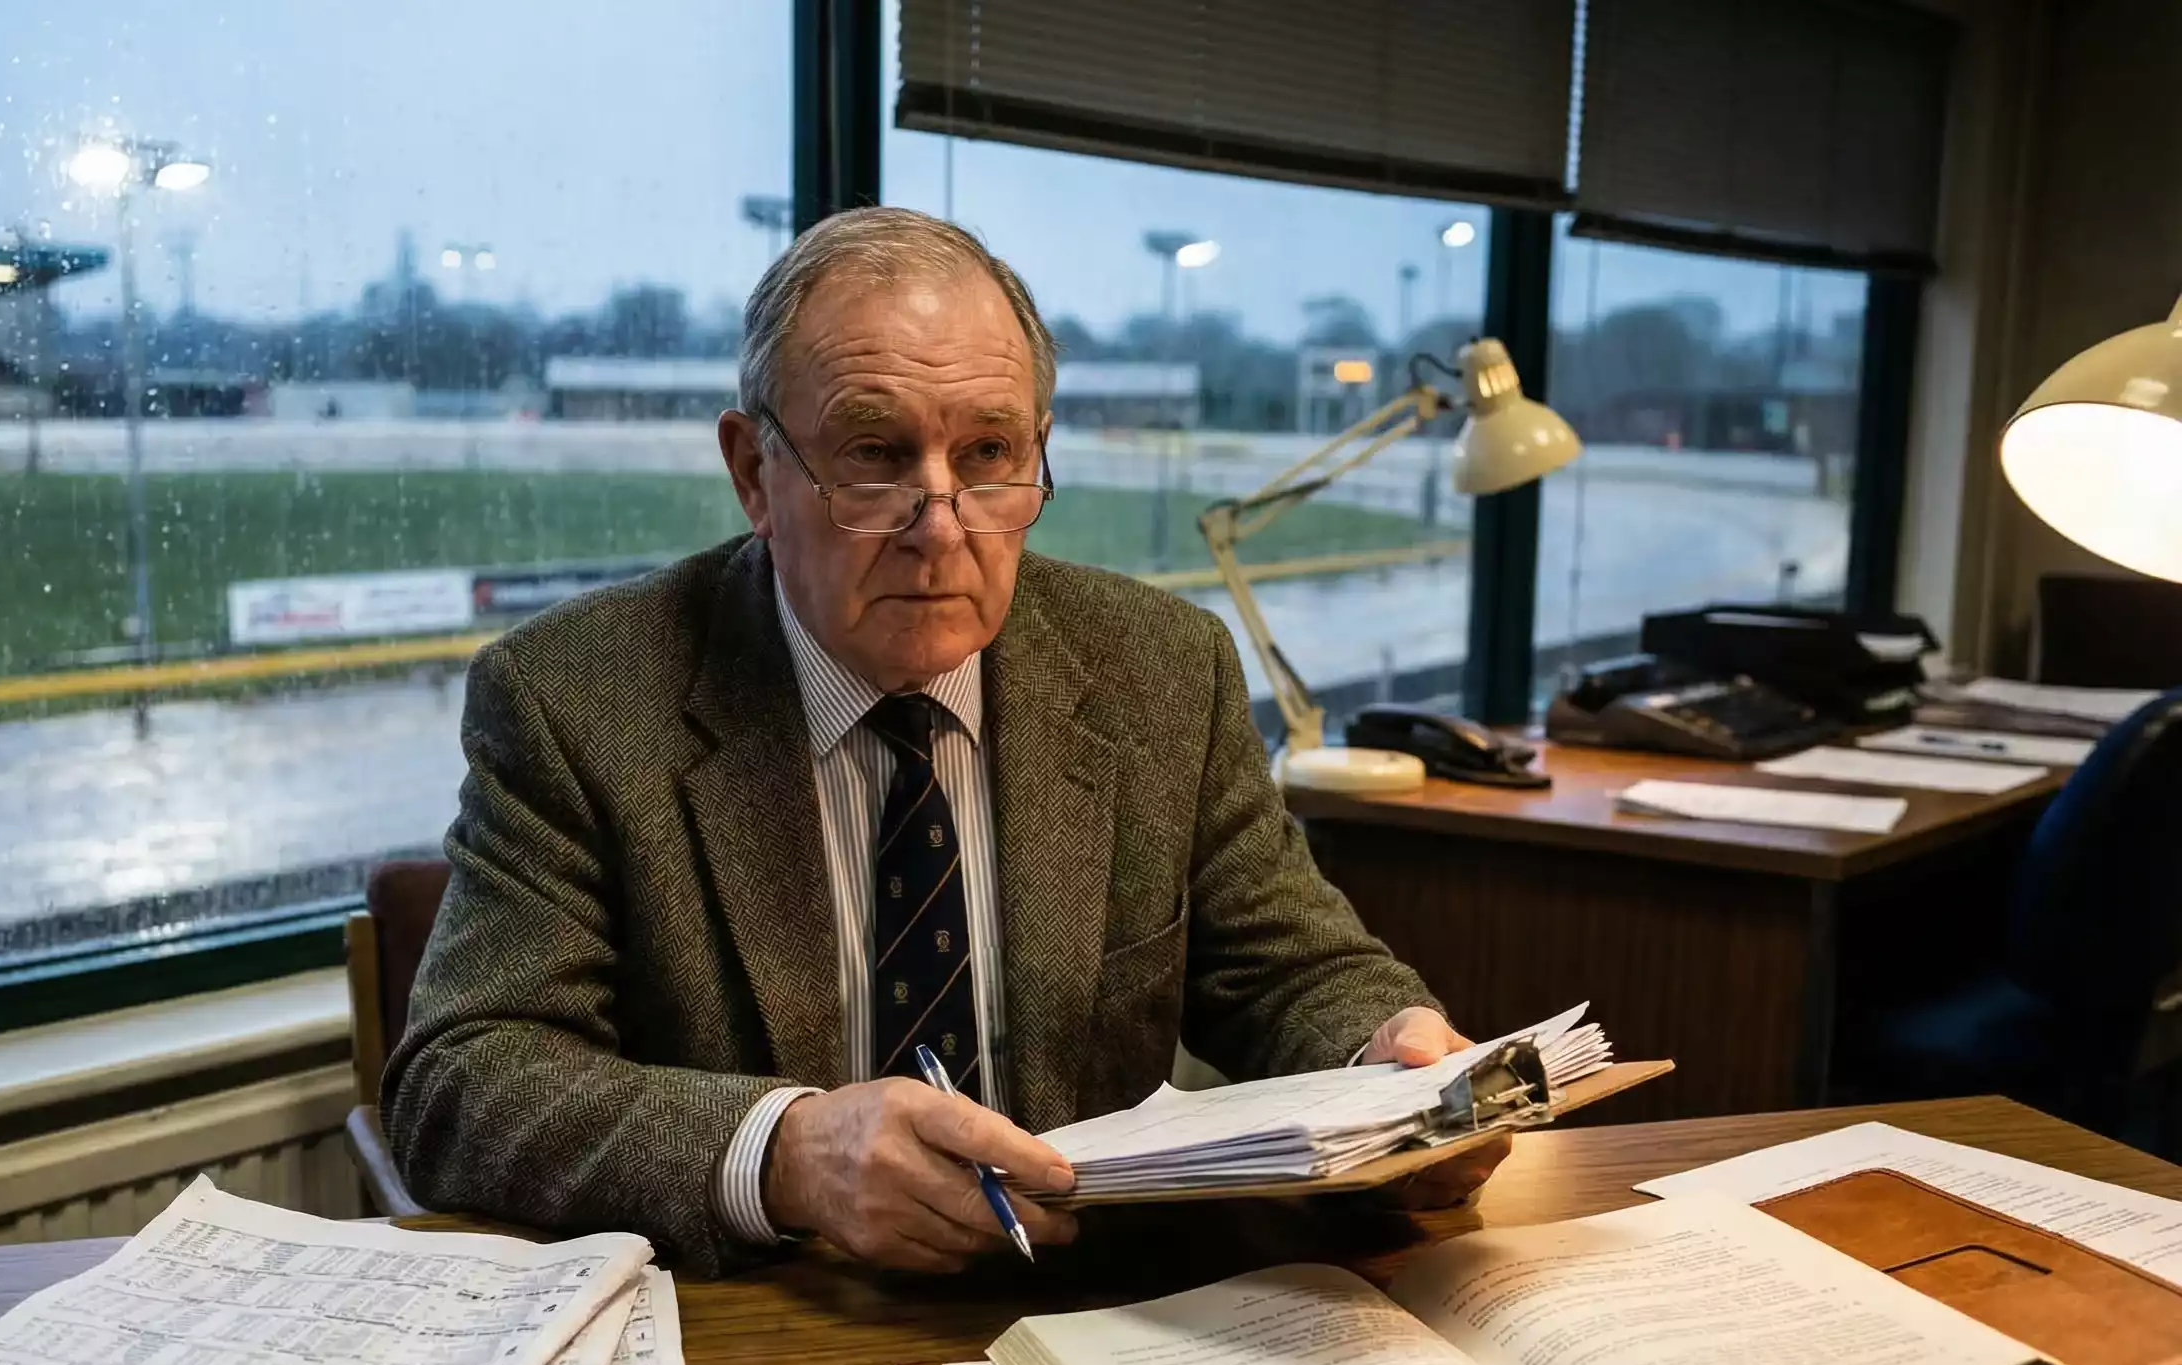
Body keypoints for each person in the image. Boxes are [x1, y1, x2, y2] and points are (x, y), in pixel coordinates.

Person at [385, 207, 1502, 1277]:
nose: (942, 521)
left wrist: (1386, 1060)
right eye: (874, 454)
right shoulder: (577, 697)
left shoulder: (1160, 670)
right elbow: (465, 1077)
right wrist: (785, 1154)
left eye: (987, 454)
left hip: (1095, 1314)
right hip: (764, 1328)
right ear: (751, 473)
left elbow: (1291, 968)